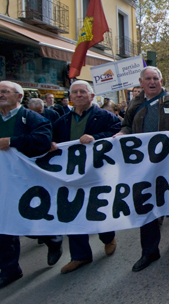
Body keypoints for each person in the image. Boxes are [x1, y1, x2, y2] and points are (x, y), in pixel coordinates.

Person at [0, 81, 62, 293]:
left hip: (24, 182)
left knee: (27, 220)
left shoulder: (32, 118)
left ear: (19, 97)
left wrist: (13, 141)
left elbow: (42, 141)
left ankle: (52, 238)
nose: (0, 95)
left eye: (5, 92)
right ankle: (9, 270)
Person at [114, 66, 169, 272]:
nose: (152, 82)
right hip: (143, 166)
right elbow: (127, 126)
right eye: (148, 79)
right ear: (141, 82)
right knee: (146, 205)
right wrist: (121, 134)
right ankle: (149, 251)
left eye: (155, 78)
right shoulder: (135, 104)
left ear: (161, 81)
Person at [51, 81, 121, 273]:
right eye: (75, 92)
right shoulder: (62, 121)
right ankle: (80, 255)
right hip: (71, 174)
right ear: (70, 97)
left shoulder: (105, 116)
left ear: (91, 96)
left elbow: (118, 132)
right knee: (72, 211)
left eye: (83, 92)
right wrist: (51, 144)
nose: (79, 95)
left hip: (96, 171)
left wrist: (96, 138)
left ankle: (108, 237)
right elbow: (51, 139)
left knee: (96, 207)